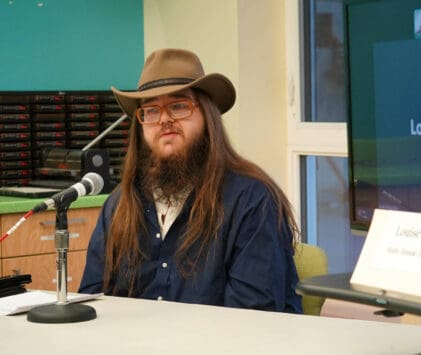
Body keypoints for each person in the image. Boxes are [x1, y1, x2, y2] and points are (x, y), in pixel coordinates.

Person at [79, 48, 302, 313]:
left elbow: (252, 319)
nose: (164, 119)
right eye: (150, 110)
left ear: (207, 117)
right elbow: (92, 303)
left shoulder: (252, 201)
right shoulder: (120, 205)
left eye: (179, 106)